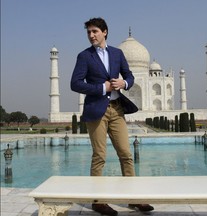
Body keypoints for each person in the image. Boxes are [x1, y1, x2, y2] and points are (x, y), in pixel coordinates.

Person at [70, 17, 154, 216]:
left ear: (104, 32)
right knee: (99, 156)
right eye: (88, 32)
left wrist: (123, 84)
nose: (91, 35)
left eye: (94, 31)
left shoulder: (117, 53)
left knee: (126, 154)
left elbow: (130, 76)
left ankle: (134, 199)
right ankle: (98, 201)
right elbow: (75, 83)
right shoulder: (84, 56)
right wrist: (102, 87)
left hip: (116, 109)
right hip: (96, 110)